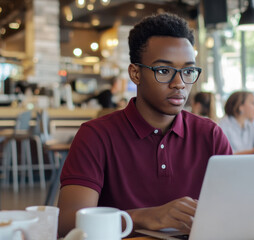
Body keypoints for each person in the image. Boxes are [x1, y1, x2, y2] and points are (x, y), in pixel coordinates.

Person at [57, 13, 232, 237]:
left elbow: (232, 211)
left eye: (188, 71)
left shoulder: (210, 134)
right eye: (164, 71)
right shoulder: (96, 136)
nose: (179, 84)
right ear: (136, 73)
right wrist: (145, 217)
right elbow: (67, 223)